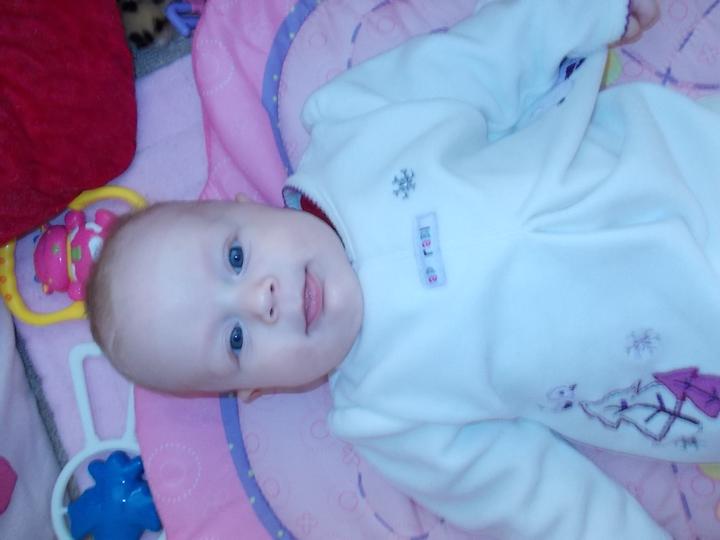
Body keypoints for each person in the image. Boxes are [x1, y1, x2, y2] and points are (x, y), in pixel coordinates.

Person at [87, 0, 720, 537]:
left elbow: (482, 61)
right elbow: (541, 500)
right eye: (234, 339)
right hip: (692, 350)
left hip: (683, 162)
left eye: (235, 257)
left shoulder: (351, 123)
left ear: (244, 205)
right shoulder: (386, 417)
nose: (261, 299)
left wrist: (582, 13)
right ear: (256, 389)